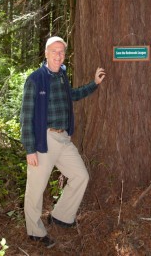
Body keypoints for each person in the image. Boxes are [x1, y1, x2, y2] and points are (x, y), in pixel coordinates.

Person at [20, 36, 105, 248]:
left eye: (61, 52)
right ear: (46, 53)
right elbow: (26, 116)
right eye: (54, 51)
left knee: (81, 176)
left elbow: (72, 96)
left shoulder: (62, 76)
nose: (58, 55)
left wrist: (94, 84)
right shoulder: (35, 79)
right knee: (35, 189)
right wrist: (30, 149)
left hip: (64, 138)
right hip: (44, 140)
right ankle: (35, 231)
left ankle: (60, 216)